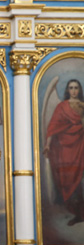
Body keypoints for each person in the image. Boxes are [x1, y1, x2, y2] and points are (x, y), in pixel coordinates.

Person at [43, 79, 84, 226]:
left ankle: (81, 213)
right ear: (68, 90)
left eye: (76, 88)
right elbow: (53, 127)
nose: (73, 90)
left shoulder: (82, 106)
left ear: (79, 90)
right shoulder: (62, 107)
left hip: (81, 147)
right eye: (71, 87)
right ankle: (76, 212)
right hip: (64, 149)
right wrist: (47, 145)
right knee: (68, 179)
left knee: (80, 181)